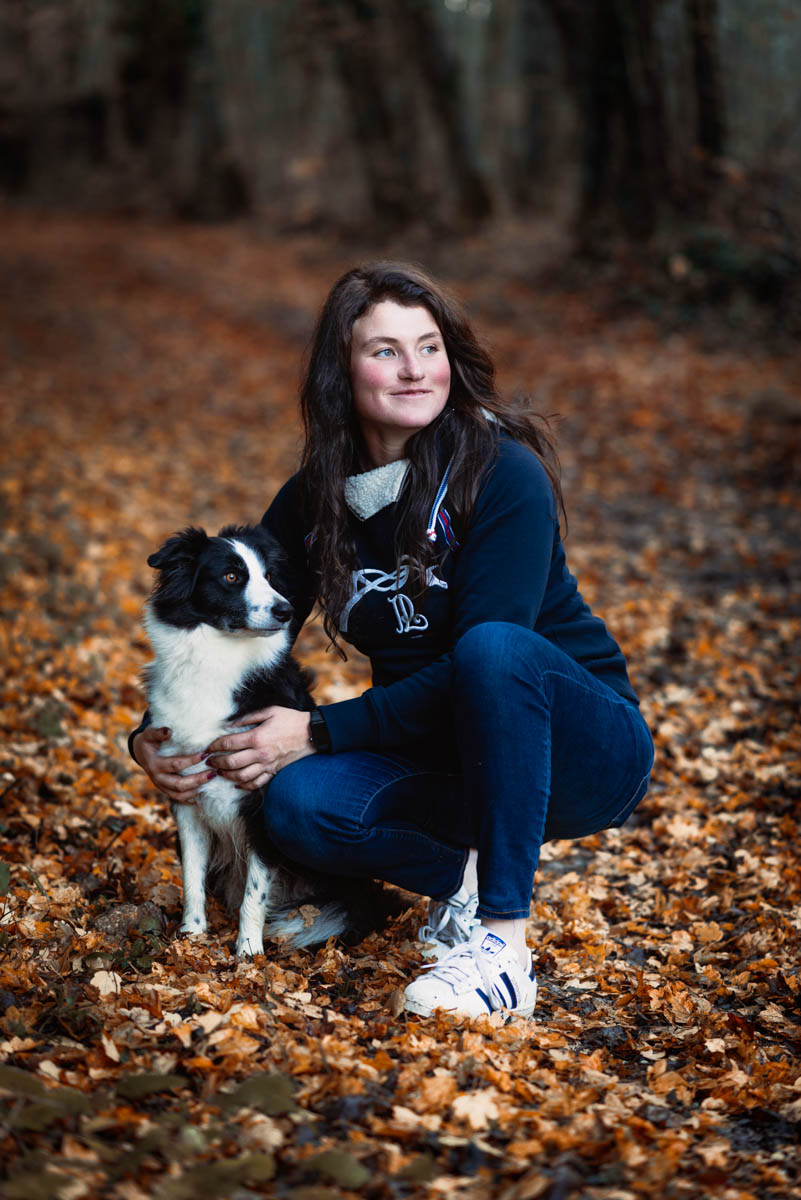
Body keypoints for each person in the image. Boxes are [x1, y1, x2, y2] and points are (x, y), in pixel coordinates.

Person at [130, 261, 654, 1020]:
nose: (414, 369)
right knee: (296, 806)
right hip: (442, 755)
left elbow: (489, 662)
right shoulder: (317, 499)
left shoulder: (502, 473)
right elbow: (230, 613)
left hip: (579, 747)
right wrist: (153, 736)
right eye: (384, 351)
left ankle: (503, 948)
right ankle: (464, 881)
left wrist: (318, 728)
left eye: (428, 346)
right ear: (341, 371)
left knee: (493, 649)